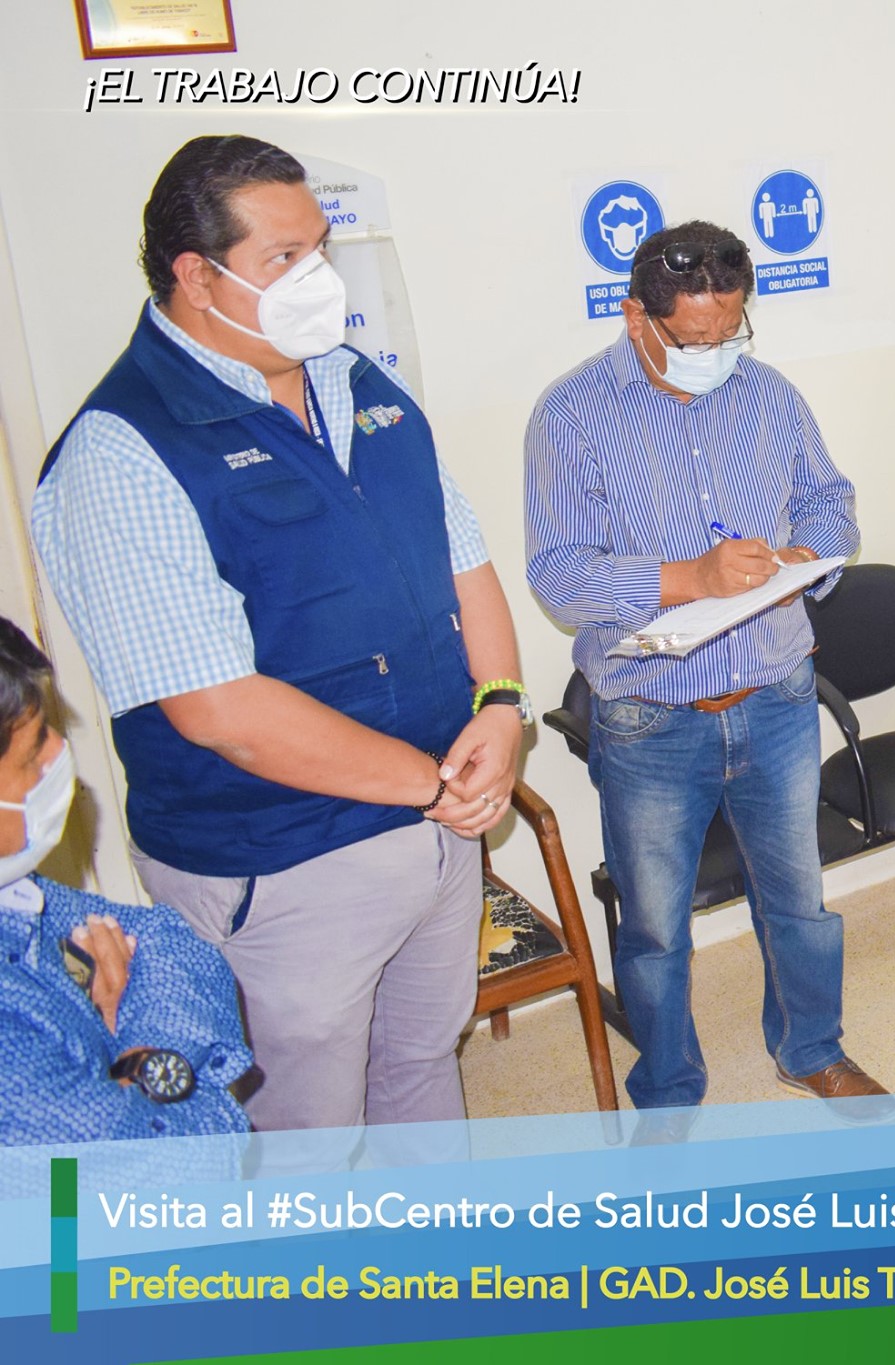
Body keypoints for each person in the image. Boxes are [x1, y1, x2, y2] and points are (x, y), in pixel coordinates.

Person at [32, 135, 525, 1132]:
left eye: (320, 249)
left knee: (422, 1065)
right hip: (285, 864)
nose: (318, 278)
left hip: (438, 828)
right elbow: (221, 711)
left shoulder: (358, 384)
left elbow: (462, 559)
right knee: (307, 1136)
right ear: (195, 276)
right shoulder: (123, 450)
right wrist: (430, 783)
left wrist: (502, 706)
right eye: (284, 258)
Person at [526, 221, 887, 1110]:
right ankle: (669, 1087)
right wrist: (689, 577)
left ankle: (811, 1048)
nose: (716, 352)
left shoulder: (769, 395)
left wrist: (805, 553)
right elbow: (558, 574)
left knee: (799, 902)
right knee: (655, 928)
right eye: (693, 338)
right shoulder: (571, 415)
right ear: (635, 316)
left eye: (731, 330)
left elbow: (831, 498)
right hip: (650, 716)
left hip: (776, 696)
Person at [0, 617, 253, 1146]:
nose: (58, 754)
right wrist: (131, 1049)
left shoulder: (15, 890)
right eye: (34, 750)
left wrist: (111, 1074)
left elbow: (169, 941)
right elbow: (189, 1160)